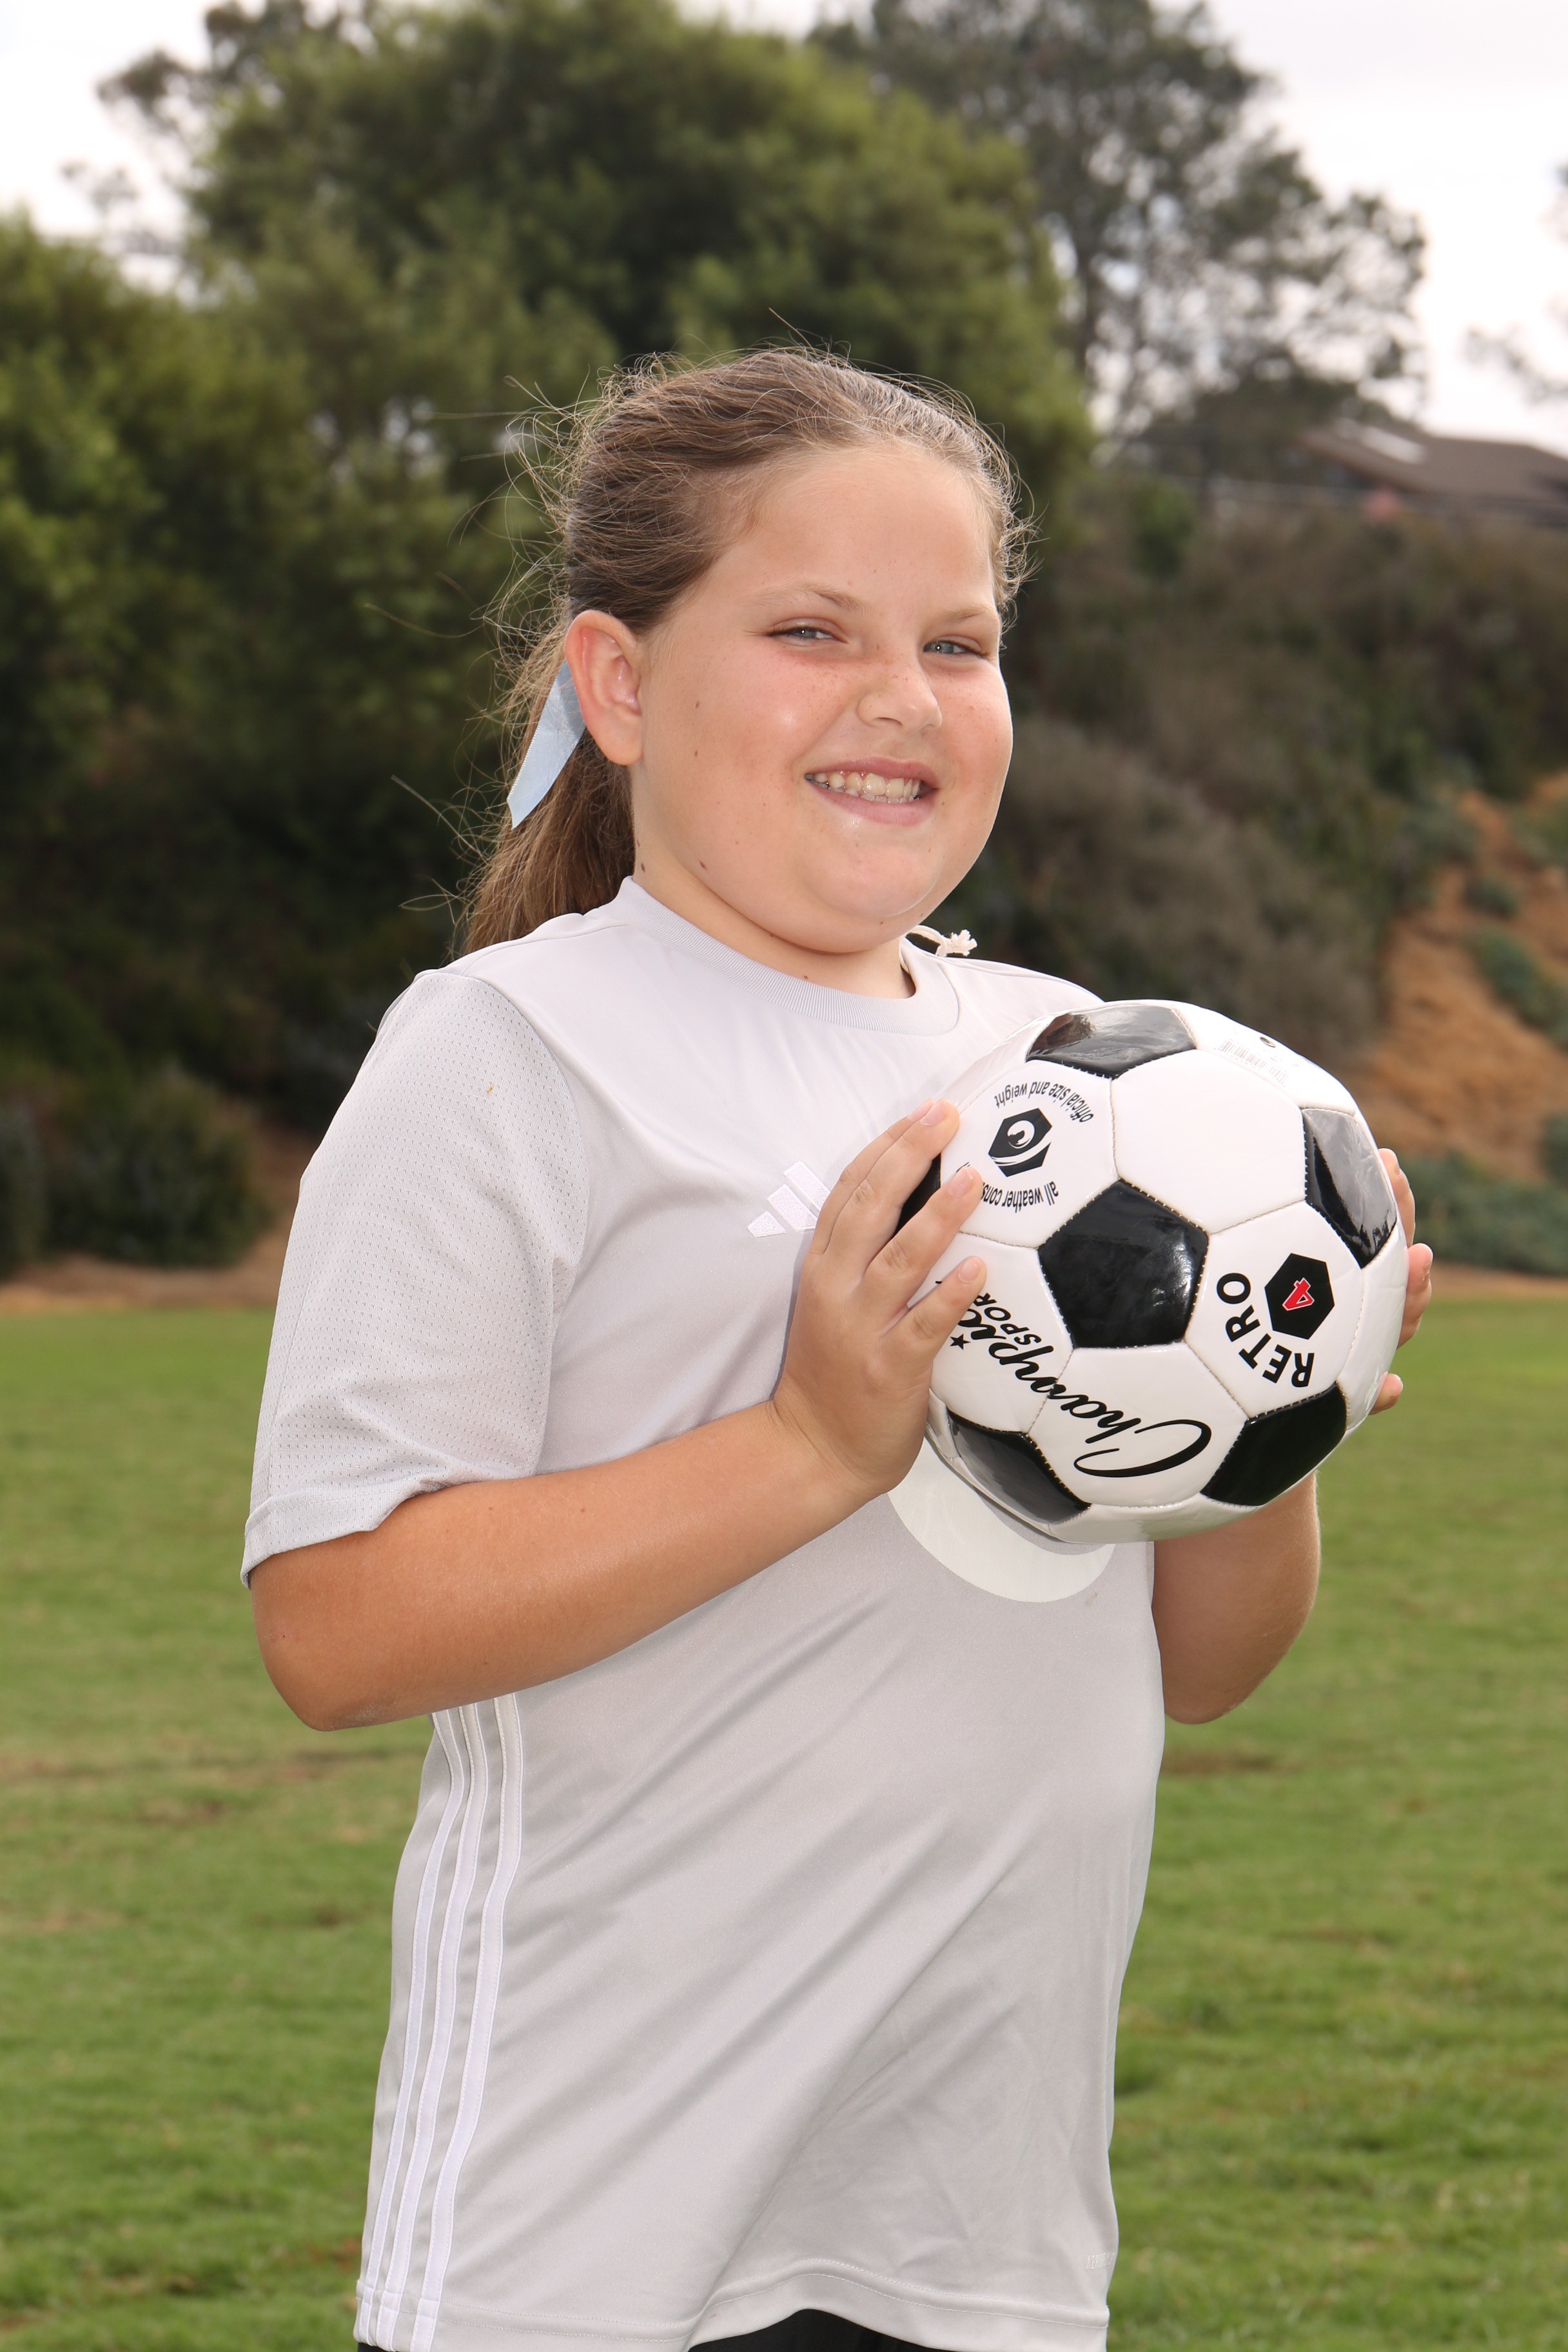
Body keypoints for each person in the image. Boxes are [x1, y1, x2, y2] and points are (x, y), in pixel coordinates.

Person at [245, 349, 1433, 2352]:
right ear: (622, 685)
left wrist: (1261, 1418)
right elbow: (336, 1625)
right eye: (812, 632)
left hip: (974, 2241)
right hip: (589, 2238)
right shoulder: (508, 1054)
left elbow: (1198, 1668)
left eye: (957, 644)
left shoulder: (1080, 1068)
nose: (901, 696)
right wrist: (808, 1445)